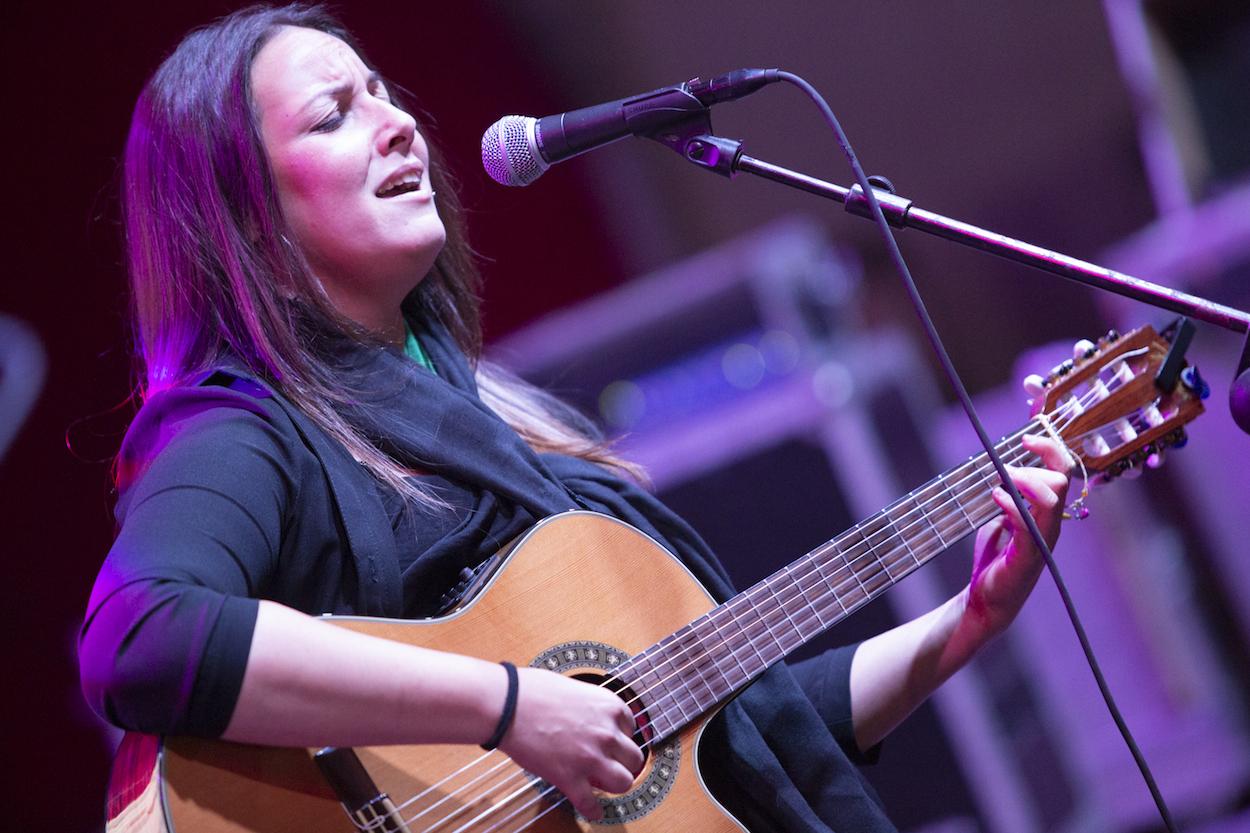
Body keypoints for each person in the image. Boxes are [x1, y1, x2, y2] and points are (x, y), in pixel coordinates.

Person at [78, 5, 1072, 831]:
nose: (397, 125)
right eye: (335, 115)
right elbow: (141, 636)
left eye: (384, 95)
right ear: (247, 217)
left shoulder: (493, 415)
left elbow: (739, 738)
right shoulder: (240, 426)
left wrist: (963, 623)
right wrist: (506, 705)